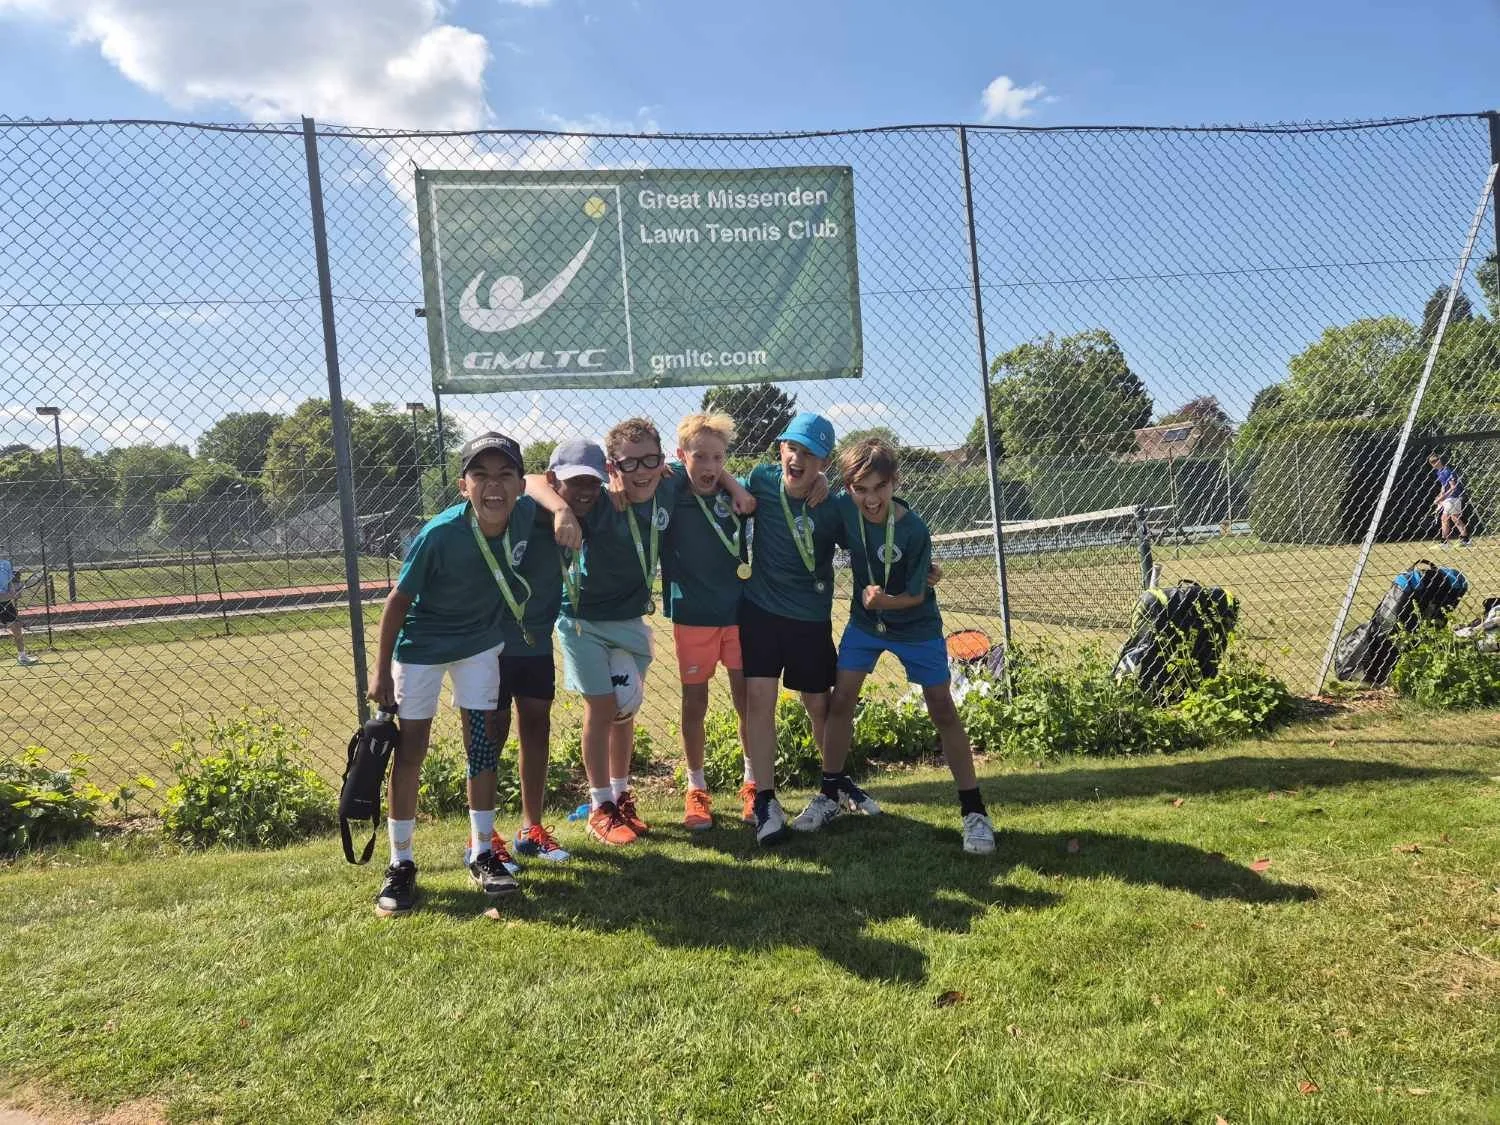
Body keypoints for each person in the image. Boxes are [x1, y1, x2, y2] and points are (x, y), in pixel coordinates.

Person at [790, 437, 996, 855]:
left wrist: (887, 600)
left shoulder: (914, 529)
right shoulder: (844, 506)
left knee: (941, 706)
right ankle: (830, 794)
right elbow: (818, 493)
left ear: (894, 482)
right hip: (866, 624)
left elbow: (919, 595)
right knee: (841, 698)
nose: (870, 499)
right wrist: (823, 480)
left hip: (915, 625)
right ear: (850, 487)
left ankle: (974, 812)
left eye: (879, 488)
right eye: (860, 489)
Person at [367, 432, 532, 916]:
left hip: (478, 646)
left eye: (505, 475)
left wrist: (561, 511)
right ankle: (401, 864)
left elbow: (554, 487)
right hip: (421, 648)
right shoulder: (440, 533)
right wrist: (380, 671)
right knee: (412, 749)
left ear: (520, 485)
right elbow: (396, 602)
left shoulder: (524, 515)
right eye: (480, 475)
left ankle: (484, 852)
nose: (493, 486)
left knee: (481, 748)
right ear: (464, 486)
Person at [526, 418, 679, 847]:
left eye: (651, 459)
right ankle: (599, 806)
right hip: (581, 620)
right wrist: (559, 509)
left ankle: (621, 794)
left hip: (629, 620)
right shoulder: (595, 502)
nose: (642, 470)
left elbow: (704, 464)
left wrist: (724, 481)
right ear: (614, 467)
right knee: (601, 705)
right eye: (630, 464)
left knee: (624, 709)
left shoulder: (666, 482)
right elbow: (529, 479)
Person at [736, 411, 864, 845]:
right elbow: (705, 472)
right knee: (758, 700)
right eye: (792, 449)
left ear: (824, 463)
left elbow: (872, 524)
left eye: (810, 454)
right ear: (780, 451)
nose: (798, 459)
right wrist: (733, 484)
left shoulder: (834, 504)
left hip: (810, 617)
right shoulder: (759, 479)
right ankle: (765, 800)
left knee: (818, 703)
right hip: (760, 612)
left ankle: (835, 782)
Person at [485, 439, 599, 865]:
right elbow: (530, 480)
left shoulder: (593, 510)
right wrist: (562, 509)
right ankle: (483, 834)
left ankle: (531, 828)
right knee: (489, 737)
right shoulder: (533, 507)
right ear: (556, 482)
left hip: (535, 644)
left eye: (593, 483)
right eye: (575, 484)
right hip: (492, 644)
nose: (585, 492)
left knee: (536, 729)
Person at [660, 412, 758, 831]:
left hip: (739, 614)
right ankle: (696, 788)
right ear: (682, 455)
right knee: (694, 703)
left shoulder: (733, 493)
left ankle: (754, 785)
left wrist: (731, 482)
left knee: (746, 701)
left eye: (717, 457)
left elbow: (751, 503)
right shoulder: (669, 489)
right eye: (700, 456)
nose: (709, 466)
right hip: (693, 617)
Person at [0, 558, 39, 666]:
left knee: (16, 627)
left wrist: (12, 593)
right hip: (3, 598)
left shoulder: (6, 563)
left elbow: (9, 583)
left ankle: (22, 657)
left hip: (6, 603)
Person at [1428, 453, 1471, 548]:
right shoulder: (1439, 472)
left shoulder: (1447, 471)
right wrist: (1439, 497)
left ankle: (1447, 542)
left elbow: (1453, 487)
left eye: (1435, 461)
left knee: (1449, 518)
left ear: (1439, 461)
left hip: (1454, 497)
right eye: (1431, 462)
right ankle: (1464, 540)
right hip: (1449, 498)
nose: (1433, 464)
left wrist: (1442, 498)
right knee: (1452, 518)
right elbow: (1444, 486)